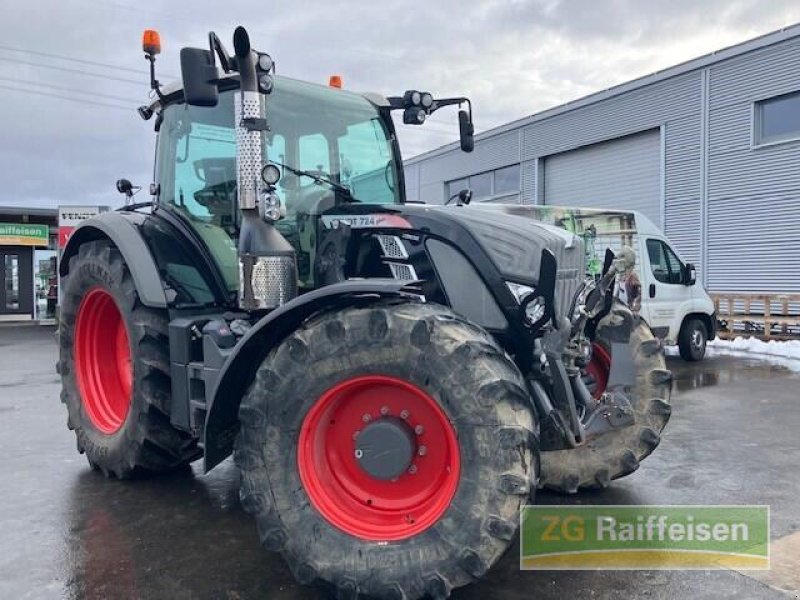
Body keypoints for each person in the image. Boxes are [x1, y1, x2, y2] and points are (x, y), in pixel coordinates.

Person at [614, 246, 641, 314]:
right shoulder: (620, 275)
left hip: (627, 313)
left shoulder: (633, 277)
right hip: (619, 310)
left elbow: (637, 298)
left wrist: (633, 311)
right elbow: (617, 295)